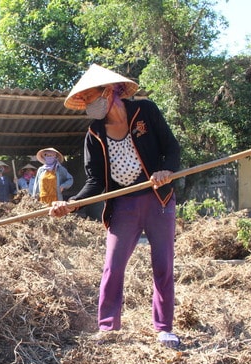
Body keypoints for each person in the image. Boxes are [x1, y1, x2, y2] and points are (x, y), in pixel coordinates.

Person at [48, 64, 182, 349]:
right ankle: (108, 327)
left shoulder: (145, 112)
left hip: (158, 199)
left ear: (110, 90)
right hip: (122, 205)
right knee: (113, 266)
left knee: (163, 264)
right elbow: (96, 179)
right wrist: (72, 203)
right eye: (83, 99)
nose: (87, 103)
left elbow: (171, 148)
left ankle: (164, 328)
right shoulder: (94, 134)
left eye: (90, 95)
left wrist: (165, 170)